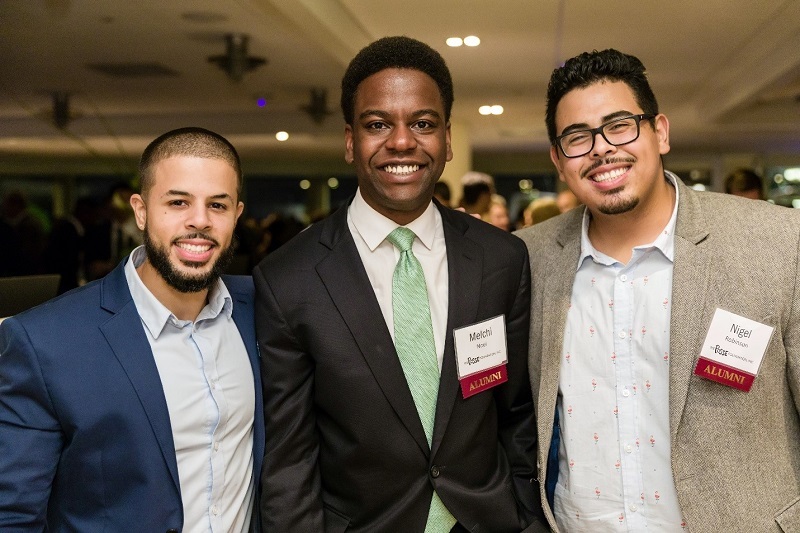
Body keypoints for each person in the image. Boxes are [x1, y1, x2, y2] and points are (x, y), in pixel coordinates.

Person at [255, 36, 545, 532]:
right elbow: (289, 457)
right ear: (351, 141)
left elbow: (515, 415)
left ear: (447, 139)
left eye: (423, 124)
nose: (403, 142)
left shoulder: (501, 259)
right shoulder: (289, 280)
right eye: (377, 125)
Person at [515, 48, 800, 532]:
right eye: (577, 138)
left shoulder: (777, 243)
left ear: (660, 132)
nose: (602, 148)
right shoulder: (527, 258)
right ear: (558, 160)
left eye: (620, 124)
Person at [0, 127, 264, 532]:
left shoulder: (263, 311)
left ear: (237, 216)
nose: (199, 221)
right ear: (140, 211)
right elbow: (13, 515)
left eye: (218, 205)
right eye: (178, 202)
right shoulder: (44, 341)